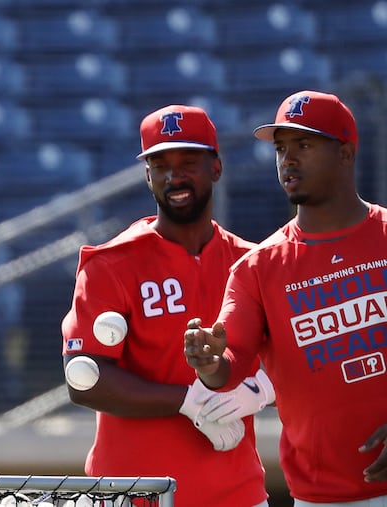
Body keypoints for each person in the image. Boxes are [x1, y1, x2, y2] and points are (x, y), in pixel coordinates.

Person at [61, 104, 274, 507]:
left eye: (188, 161)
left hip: (239, 494)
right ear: (147, 175)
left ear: (216, 167)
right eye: (160, 164)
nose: (174, 176)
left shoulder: (252, 261)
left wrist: (260, 390)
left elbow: (297, 356)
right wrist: (187, 401)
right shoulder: (111, 263)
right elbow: (82, 380)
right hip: (133, 495)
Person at [184, 90, 387, 506]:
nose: (287, 159)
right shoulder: (257, 268)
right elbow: (230, 365)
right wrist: (211, 364)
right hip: (325, 497)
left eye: (304, 145)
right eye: (281, 148)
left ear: (346, 154)